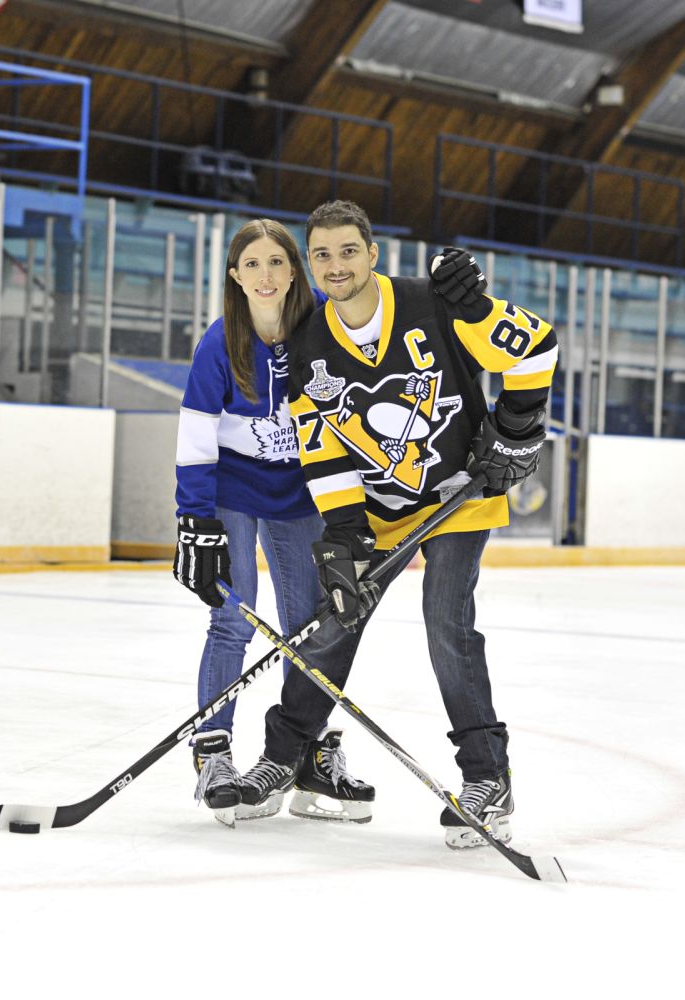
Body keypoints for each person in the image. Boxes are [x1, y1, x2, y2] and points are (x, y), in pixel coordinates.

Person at [208, 199, 557, 849]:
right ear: (309, 265)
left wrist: (515, 431)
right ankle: (285, 756)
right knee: (331, 625)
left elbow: (535, 347)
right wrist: (342, 534)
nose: (335, 265)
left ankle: (487, 776)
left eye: (348, 250)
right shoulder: (308, 345)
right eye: (321, 254)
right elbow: (324, 449)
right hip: (376, 517)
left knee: (445, 619)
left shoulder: (437, 302)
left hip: (458, 496)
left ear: (372, 254)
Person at [172, 218, 374, 825]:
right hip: (233, 492)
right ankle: (214, 751)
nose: (266, 275)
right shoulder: (219, 343)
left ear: (295, 271)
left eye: (277, 263)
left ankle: (304, 754)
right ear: (236, 276)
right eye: (253, 264)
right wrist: (194, 521)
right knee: (231, 619)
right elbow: (196, 438)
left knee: (309, 628)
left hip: (301, 496)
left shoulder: (319, 334)